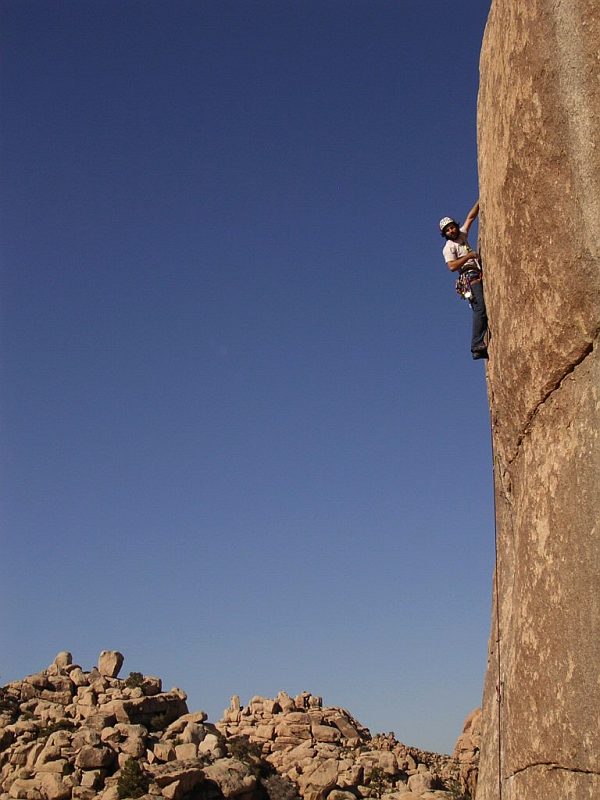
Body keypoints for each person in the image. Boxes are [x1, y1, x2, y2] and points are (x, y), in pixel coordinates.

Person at [440, 200, 488, 360]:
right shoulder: (449, 247)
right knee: (480, 308)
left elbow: (470, 218)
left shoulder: (461, 235)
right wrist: (468, 256)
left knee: (481, 308)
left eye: (452, 227)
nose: (451, 231)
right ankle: (476, 345)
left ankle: (478, 345)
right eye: (448, 230)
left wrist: (480, 201)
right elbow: (452, 266)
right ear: (445, 234)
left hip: (475, 273)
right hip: (468, 277)